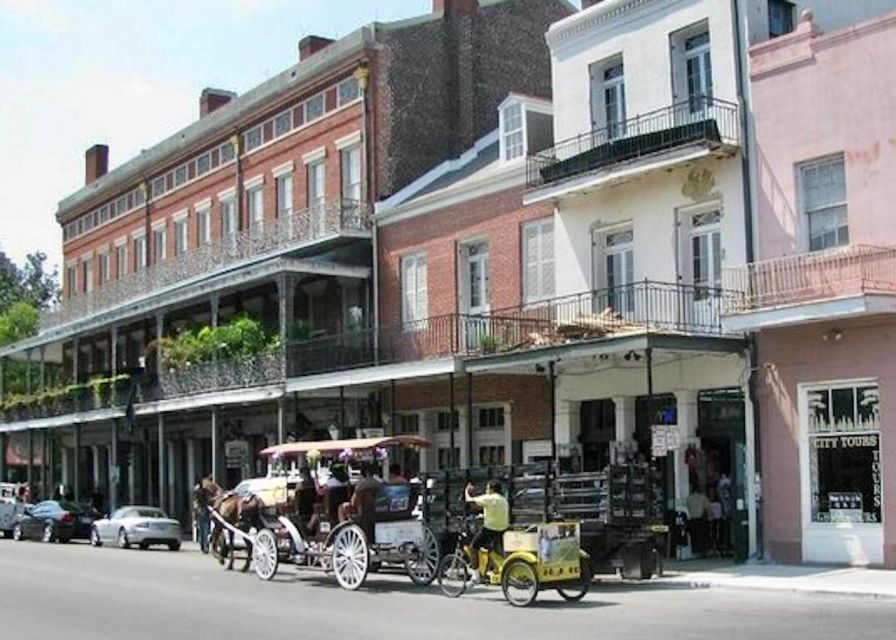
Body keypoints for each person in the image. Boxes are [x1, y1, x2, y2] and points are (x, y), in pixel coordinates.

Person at [465, 480, 509, 582]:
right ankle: (489, 570)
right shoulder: (503, 499)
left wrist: (467, 491)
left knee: (473, 547)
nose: (486, 490)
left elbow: (470, 501)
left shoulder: (490, 498)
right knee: (490, 549)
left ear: (492, 489)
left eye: (487, 488)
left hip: (490, 529)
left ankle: (476, 575)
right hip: (502, 528)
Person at [192, 475, 211, 554]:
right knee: (203, 530)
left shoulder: (203, 490)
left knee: (204, 530)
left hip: (204, 511)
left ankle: (205, 546)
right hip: (201, 511)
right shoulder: (198, 490)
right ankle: (204, 546)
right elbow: (196, 502)